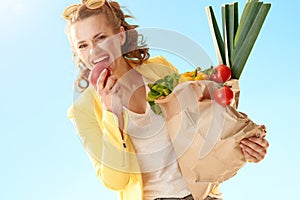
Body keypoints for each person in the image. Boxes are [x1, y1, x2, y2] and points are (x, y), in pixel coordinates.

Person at [63, 0, 269, 199]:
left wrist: (243, 141)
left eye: (101, 38)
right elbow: (115, 181)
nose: (94, 51)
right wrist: (112, 114)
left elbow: (200, 124)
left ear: (120, 36)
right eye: (82, 45)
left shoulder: (159, 69)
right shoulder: (82, 110)